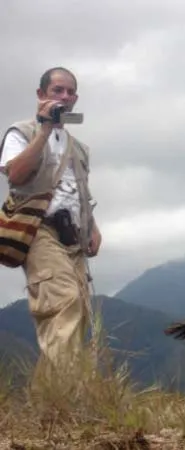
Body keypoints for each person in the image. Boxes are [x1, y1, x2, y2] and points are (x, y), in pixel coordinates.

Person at [0, 67, 101, 378]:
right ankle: (64, 398)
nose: (65, 97)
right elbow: (15, 175)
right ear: (41, 94)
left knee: (78, 311)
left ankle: (53, 399)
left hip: (74, 235)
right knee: (63, 302)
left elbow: (78, 190)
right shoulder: (22, 132)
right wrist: (44, 130)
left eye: (70, 92)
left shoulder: (79, 147)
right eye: (58, 90)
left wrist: (92, 227)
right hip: (38, 229)